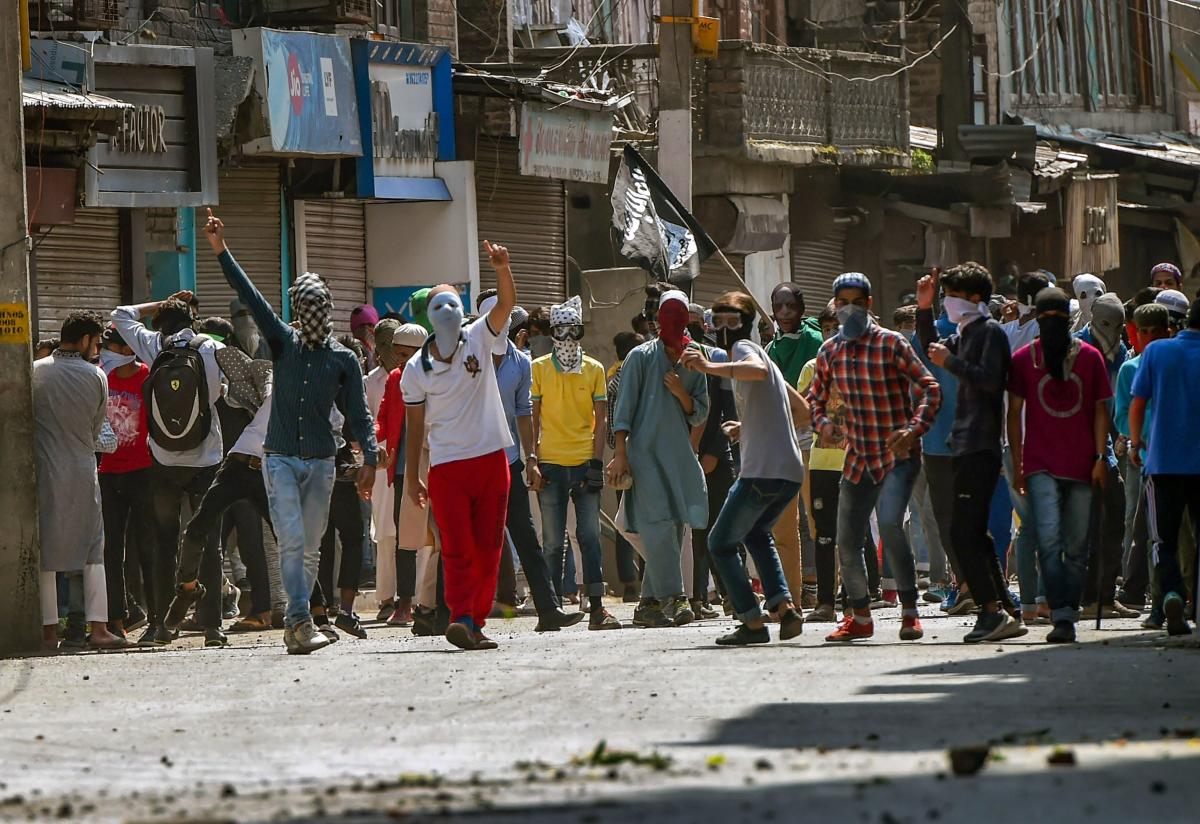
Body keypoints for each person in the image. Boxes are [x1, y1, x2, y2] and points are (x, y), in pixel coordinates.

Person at [205, 209, 377, 655]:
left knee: (311, 547)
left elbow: (358, 416)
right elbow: (250, 294)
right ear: (298, 311)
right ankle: (299, 621)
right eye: (307, 307)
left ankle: (297, 620)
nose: (314, 314)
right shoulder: (282, 341)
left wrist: (372, 460)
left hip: (320, 460)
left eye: (320, 307)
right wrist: (221, 249)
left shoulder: (343, 360)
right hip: (278, 457)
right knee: (293, 538)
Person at [807, 272, 941, 643]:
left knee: (891, 525)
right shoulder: (830, 350)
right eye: (842, 301)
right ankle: (860, 616)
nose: (848, 308)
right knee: (846, 540)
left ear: (868, 304)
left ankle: (910, 611)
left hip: (897, 456)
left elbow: (930, 388)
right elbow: (814, 401)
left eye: (856, 300)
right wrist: (824, 426)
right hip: (857, 459)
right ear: (835, 306)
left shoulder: (892, 344)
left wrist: (913, 430)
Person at [400, 243, 517, 651]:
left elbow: (506, 304)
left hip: (490, 460)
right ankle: (463, 616)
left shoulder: (479, 337)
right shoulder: (415, 371)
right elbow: (414, 428)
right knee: (457, 547)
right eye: (440, 304)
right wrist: (413, 476)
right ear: (429, 317)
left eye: (454, 301)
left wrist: (502, 268)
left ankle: (473, 620)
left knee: (488, 548)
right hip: (447, 468)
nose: (449, 309)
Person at [681, 291, 808, 646]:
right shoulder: (768, 357)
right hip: (788, 470)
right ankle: (783, 606)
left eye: (731, 322)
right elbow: (802, 411)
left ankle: (752, 621)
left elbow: (754, 370)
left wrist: (708, 368)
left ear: (747, 324)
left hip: (762, 472)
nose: (723, 329)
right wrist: (748, 426)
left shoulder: (745, 352)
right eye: (717, 321)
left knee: (720, 543)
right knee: (756, 534)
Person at [917, 264, 1024, 643]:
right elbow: (933, 352)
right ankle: (1007, 610)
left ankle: (991, 612)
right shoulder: (968, 332)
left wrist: (953, 363)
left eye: (952, 295)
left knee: (963, 532)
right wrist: (924, 308)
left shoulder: (989, 332)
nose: (949, 302)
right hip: (963, 444)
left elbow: (991, 381)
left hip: (980, 444)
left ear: (975, 298)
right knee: (974, 533)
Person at [113, 287, 226, 647]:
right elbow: (217, 394)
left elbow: (119, 315)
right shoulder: (208, 347)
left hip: (162, 462)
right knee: (206, 541)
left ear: (161, 324)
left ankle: (161, 624)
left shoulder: (154, 346)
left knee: (164, 542)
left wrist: (158, 303)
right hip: (206, 460)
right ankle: (212, 626)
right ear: (192, 322)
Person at [472, 291, 586, 632]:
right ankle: (448, 613)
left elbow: (524, 413)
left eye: (505, 315)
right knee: (466, 539)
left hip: (507, 462)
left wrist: (531, 456)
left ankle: (548, 609)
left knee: (526, 537)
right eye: (494, 316)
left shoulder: (521, 363)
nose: (501, 322)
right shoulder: (465, 355)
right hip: (469, 460)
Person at [1007, 287, 1112, 644]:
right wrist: (1018, 464)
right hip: (1040, 465)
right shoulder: (1023, 359)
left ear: (1068, 320)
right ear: (1037, 318)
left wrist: (1100, 458)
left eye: (1057, 316)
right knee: (1048, 543)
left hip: (1083, 463)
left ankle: (1066, 605)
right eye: (1046, 316)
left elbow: (1101, 410)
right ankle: (1062, 615)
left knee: (1077, 544)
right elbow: (1013, 413)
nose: (1052, 322)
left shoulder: (1091, 358)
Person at [608, 289, 710, 629]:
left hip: (678, 453)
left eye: (679, 314)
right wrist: (620, 454)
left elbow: (700, 413)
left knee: (675, 525)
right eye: (667, 313)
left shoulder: (695, 359)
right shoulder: (639, 356)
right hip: (643, 454)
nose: (672, 321)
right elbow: (622, 412)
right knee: (657, 524)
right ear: (657, 319)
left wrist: (681, 392)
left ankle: (648, 604)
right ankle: (676, 598)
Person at [33, 312, 127, 650]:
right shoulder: (96, 376)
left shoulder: (35, 371)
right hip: (83, 470)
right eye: (97, 342)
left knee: (45, 551)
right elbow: (95, 427)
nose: (98, 348)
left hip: (43, 471)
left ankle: (47, 634)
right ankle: (99, 629)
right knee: (92, 552)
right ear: (86, 339)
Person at [530, 295, 621, 630]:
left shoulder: (594, 369)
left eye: (574, 331)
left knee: (589, 536)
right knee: (552, 540)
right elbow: (533, 417)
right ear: (552, 332)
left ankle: (596, 607)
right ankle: (550, 608)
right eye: (561, 330)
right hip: (550, 463)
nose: (567, 338)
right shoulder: (538, 369)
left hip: (584, 462)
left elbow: (602, 420)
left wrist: (597, 463)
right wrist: (533, 460)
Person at [1130, 296, 1200, 637]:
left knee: (1162, 540)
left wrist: (1134, 441)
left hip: (1163, 463)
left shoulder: (1157, 352)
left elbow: (1137, 402)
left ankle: (1172, 593)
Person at [765, 283, 824, 606]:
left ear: (801, 308)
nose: (784, 313)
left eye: (790, 306)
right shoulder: (771, 348)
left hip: (814, 439)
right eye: (778, 306)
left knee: (817, 519)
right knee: (784, 523)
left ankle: (828, 590)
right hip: (780, 440)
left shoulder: (816, 342)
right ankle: (792, 595)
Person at [1114, 303, 1172, 624]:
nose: (1148, 337)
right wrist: (1138, 439)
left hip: (1170, 460)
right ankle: (1155, 596)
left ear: (1168, 330)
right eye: (1142, 331)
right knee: (1147, 531)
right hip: (1149, 460)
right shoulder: (1130, 369)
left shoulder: (1173, 362)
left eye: (1155, 330)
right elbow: (1124, 414)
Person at [96, 323, 154, 640]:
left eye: (114, 347)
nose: (108, 353)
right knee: (111, 551)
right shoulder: (101, 378)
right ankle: (116, 620)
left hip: (142, 472)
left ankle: (155, 618)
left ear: (129, 348)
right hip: (108, 472)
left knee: (147, 548)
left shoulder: (147, 376)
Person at [374, 322, 430, 627]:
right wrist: (372, 439)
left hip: (436, 466)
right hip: (402, 472)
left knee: (441, 539)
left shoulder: (438, 378)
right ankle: (405, 604)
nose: (399, 361)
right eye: (396, 354)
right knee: (405, 542)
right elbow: (382, 417)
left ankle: (437, 602)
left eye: (405, 354)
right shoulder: (395, 379)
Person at [797, 304, 845, 622]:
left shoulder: (867, 363)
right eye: (827, 327)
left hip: (857, 461)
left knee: (855, 535)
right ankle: (826, 602)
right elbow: (803, 406)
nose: (832, 333)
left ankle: (859, 599)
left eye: (838, 326)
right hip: (822, 462)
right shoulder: (814, 366)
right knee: (824, 534)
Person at [606, 331, 647, 602]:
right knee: (649, 520)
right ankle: (647, 577)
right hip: (645, 459)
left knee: (625, 522)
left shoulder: (611, 383)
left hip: (623, 460)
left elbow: (611, 433)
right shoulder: (643, 378)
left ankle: (629, 583)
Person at [351, 304, 381, 372]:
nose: (365, 329)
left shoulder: (383, 353)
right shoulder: (348, 352)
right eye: (361, 326)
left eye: (370, 325)